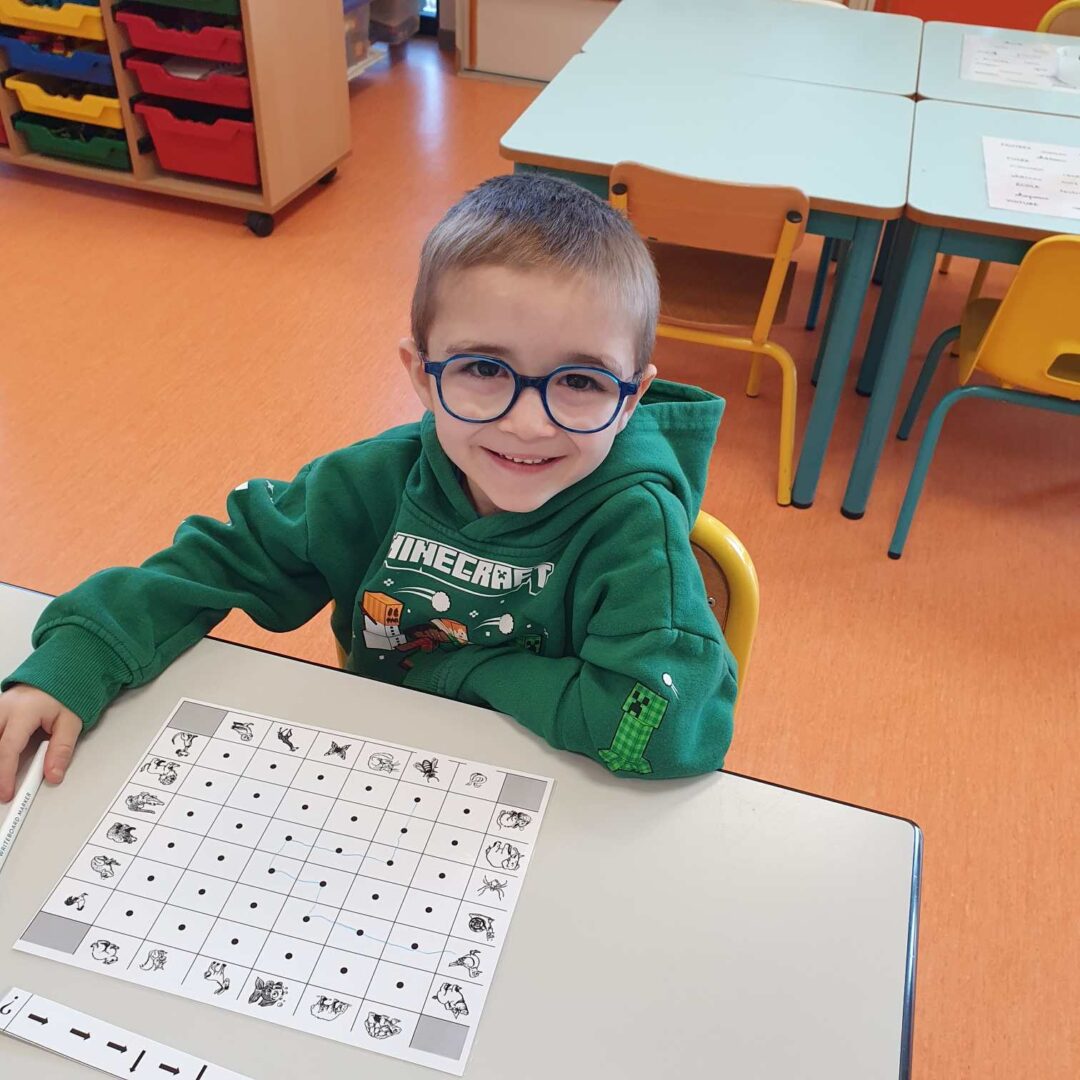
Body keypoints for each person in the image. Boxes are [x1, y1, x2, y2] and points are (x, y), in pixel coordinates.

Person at [0, 173, 737, 800]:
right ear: (422, 374)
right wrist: (80, 657)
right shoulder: (372, 479)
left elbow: (667, 730)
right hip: (377, 772)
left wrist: (465, 669)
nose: (527, 423)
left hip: (547, 794)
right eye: (484, 369)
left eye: (579, 381)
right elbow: (219, 562)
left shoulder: (635, 528)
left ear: (633, 398)